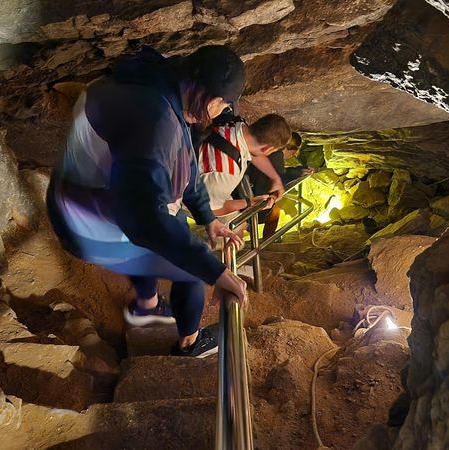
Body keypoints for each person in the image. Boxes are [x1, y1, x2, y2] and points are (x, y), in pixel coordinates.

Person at [46, 45, 249, 358]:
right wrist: (215, 272)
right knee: (190, 267)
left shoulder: (162, 80)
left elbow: (185, 166)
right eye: (221, 103)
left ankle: (147, 307)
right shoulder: (155, 123)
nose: (221, 111)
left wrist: (207, 217)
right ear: (203, 91)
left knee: (172, 233)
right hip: (91, 223)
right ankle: (191, 344)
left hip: (86, 200)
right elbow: (144, 219)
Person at [196, 114, 290, 225]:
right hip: (185, 196)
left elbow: (254, 154)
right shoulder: (227, 172)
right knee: (237, 227)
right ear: (267, 148)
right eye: (272, 151)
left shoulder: (235, 124)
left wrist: (275, 178)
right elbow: (212, 209)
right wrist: (250, 202)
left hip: (201, 166)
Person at [248, 131, 314, 238]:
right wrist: (299, 172)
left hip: (249, 192)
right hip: (256, 200)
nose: (292, 156)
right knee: (274, 213)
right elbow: (280, 178)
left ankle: (264, 242)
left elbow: (278, 173)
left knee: (274, 210)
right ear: (288, 149)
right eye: (292, 153)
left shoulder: (269, 152)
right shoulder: (277, 155)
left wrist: (299, 170)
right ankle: (267, 242)